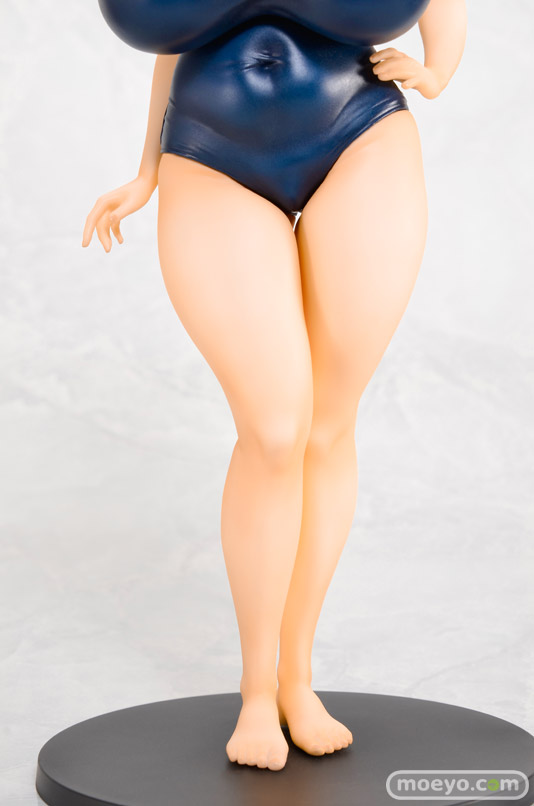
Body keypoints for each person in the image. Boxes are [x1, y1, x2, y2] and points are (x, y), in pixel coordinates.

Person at [82, 0, 467, 772]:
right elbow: (179, 28)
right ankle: (256, 689)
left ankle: (297, 679)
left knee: (326, 426)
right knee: (273, 431)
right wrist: (148, 169)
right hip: (209, 148)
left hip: (361, 133)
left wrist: (437, 70)